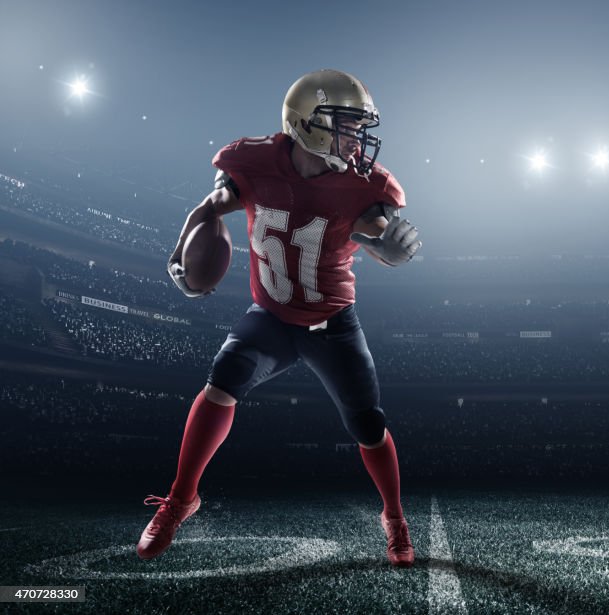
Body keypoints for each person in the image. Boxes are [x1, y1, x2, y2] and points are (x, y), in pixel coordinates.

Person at [136, 69, 421, 567]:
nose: (356, 138)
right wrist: (183, 250)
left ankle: (393, 516)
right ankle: (181, 499)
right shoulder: (253, 159)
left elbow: (374, 231)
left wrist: (388, 249)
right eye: (346, 125)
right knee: (220, 382)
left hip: (331, 324)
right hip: (268, 316)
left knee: (367, 424)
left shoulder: (359, 185)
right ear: (307, 122)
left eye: (359, 126)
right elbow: (213, 205)